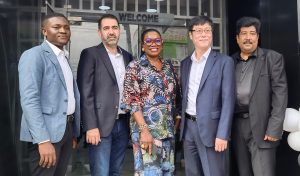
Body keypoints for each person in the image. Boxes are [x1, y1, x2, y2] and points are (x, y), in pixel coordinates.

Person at [18, 13, 81, 176]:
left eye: (67, 27)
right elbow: (29, 100)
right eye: (57, 27)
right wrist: (42, 140)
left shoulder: (63, 57)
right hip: (46, 134)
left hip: (65, 130)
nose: (63, 31)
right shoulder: (34, 55)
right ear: (44, 31)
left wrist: (72, 132)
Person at [76, 14, 133, 176]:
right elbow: (85, 92)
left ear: (119, 30)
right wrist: (90, 126)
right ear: (100, 32)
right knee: (100, 172)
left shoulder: (128, 56)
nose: (111, 32)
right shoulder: (90, 54)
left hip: (123, 123)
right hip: (99, 125)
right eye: (106, 28)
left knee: (116, 171)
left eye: (114, 28)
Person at [231, 16, 288, 176]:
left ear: (258, 37)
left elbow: (280, 95)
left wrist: (274, 128)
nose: (248, 37)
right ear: (237, 38)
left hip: (263, 126)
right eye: (244, 33)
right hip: (236, 126)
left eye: (252, 33)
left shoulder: (272, 59)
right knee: (244, 172)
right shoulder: (229, 61)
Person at [179, 15, 235, 176]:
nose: (204, 34)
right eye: (199, 31)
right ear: (191, 35)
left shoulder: (224, 62)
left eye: (207, 30)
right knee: (192, 172)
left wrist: (223, 134)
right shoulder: (185, 63)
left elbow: (228, 100)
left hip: (212, 130)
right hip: (188, 128)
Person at [121, 28, 181, 175]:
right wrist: (145, 131)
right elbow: (132, 101)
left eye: (157, 40)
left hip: (168, 133)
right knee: (150, 172)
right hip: (147, 135)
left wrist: (177, 120)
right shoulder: (134, 67)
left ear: (162, 44)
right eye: (148, 41)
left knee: (168, 172)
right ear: (143, 45)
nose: (153, 44)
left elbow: (175, 96)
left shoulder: (168, 67)